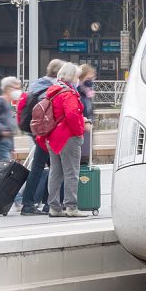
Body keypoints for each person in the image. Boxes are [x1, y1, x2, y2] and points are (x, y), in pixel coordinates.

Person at [17, 59, 65, 215]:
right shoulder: (51, 90)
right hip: (48, 134)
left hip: (38, 133)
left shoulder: (37, 85)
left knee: (40, 169)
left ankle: (31, 204)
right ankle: (42, 203)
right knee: (55, 169)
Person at [45, 63, 89, 217]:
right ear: (71, 76)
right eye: (77, 76)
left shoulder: (52, 91)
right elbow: (71, 114)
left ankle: (54, 207)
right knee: (71, 173)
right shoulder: (68, 93)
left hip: (52, 137)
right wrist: (79, 132)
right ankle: (71, 207)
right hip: (68, 137)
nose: (78, 80)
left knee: (55, 173)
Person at [77, 64, 96, 165]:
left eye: (93, 78)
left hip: (87, 135)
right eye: (89, 78)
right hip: (80, 135)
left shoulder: (87, 93)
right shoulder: (77, 92)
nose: (91, 81)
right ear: (81, 77)